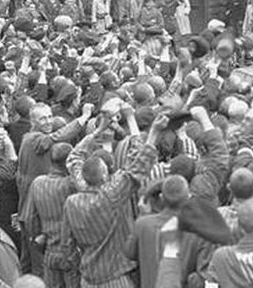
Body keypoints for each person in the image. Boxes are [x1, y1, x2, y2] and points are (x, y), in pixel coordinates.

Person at [60, 102, 163, 287]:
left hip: (87, 278)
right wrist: (144, 127)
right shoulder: (111, 194)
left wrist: (98, 130)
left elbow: (74, 158)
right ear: (106, 174)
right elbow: (137, 167)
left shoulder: (72, 200)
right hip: (117, 279)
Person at [24, 142, 78, 288]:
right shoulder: (71, 185)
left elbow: (29, 218)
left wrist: (38, 239)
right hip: (73, 252)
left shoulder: (37, 183)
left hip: (49, 252)